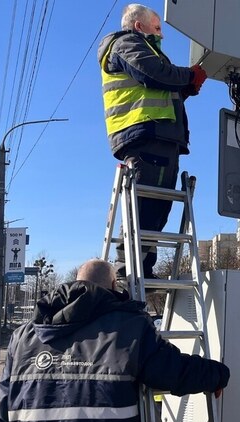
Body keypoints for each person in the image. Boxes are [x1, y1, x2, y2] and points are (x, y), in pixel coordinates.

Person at [0, 259, 230, 422]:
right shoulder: (129, 328)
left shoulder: (23, 336)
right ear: (112, 286)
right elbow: (175, 370)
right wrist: (218, 374)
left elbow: (4, 413)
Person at [97, 4, 208, 280]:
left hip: (158, 135)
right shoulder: (126, 43)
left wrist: (186, 87)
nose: (162, 35)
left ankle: (142, 270)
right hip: (145, 133)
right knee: (145, 206)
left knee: (156, 211)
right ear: (139, 26)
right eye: (157, 28)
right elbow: (151, 73)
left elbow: (159, 83)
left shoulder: (145, 50)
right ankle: (128, 272)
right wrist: (188, 76)